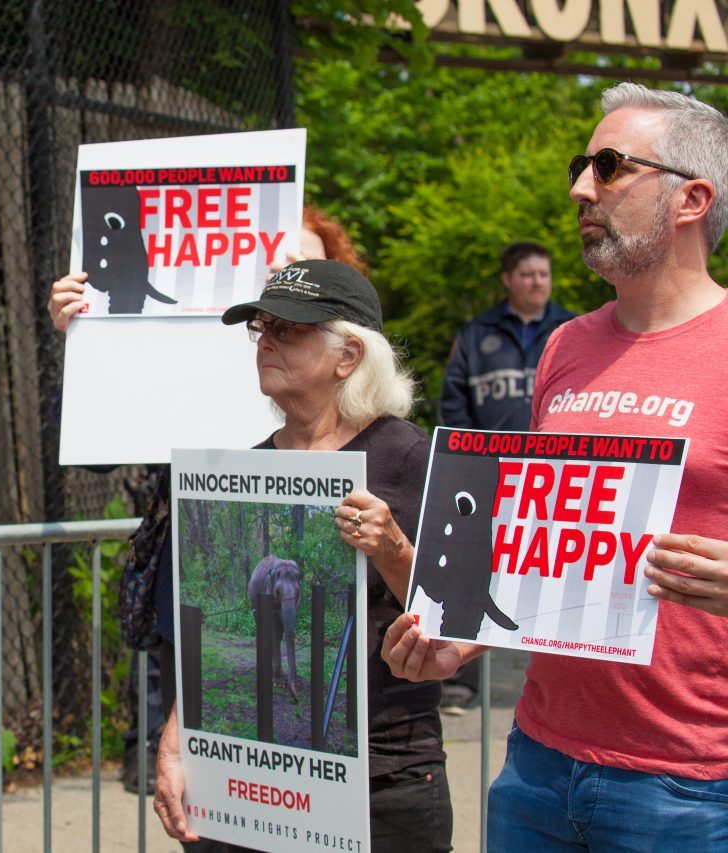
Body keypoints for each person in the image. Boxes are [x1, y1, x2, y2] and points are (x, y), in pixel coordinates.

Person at [383, 82, 728, 851]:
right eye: (582, 166)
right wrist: (461, 638)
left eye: (609, 167)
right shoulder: (565, 347)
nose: (580, 189)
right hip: (537, 765)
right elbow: (544, 549)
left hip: (691, 786)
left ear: (692, 199)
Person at [46, 206, 369, 799]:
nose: (283, 283)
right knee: (208, 802)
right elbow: (97, 451)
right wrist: (88, 342)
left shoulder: (366, 419)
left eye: (302, 266)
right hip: (185, 599)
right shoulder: (195, 362)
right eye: (273, 271)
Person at [152, 259, 452, 852]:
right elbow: (204, 644)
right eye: (261, 328)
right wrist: (177, 742)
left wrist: (392, 547)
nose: (266, 342)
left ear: (349, 355)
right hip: (253, 783)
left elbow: (458, 620)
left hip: (382, 778)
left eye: (288, 330)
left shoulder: (409, 457)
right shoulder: (249, 467)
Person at [436, 241, 574, 713]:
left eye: (544, 274)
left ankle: (566, 682)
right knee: (473, 572)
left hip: (557, 476)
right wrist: (472, 460)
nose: (538, 282)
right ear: (508, 279)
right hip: (489, 473)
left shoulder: (572, 330)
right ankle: (461, 682)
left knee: (561, 571)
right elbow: (454, 403)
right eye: (528, 274)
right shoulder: (476, 335)